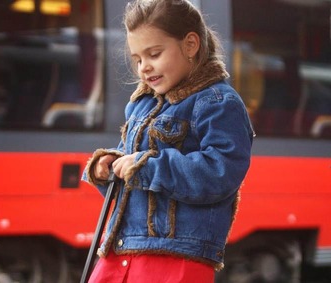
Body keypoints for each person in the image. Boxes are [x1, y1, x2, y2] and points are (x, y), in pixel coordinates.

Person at [82, 0, 254, 282]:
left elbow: (220, 173)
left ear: (190, 45)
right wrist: (112, 166)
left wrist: (145, 167)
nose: (143, 68)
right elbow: (137, 180)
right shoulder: (141, 104)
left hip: (175, 257)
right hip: (122, 249)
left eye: (154, 54)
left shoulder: (219, 102)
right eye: (137, 59)